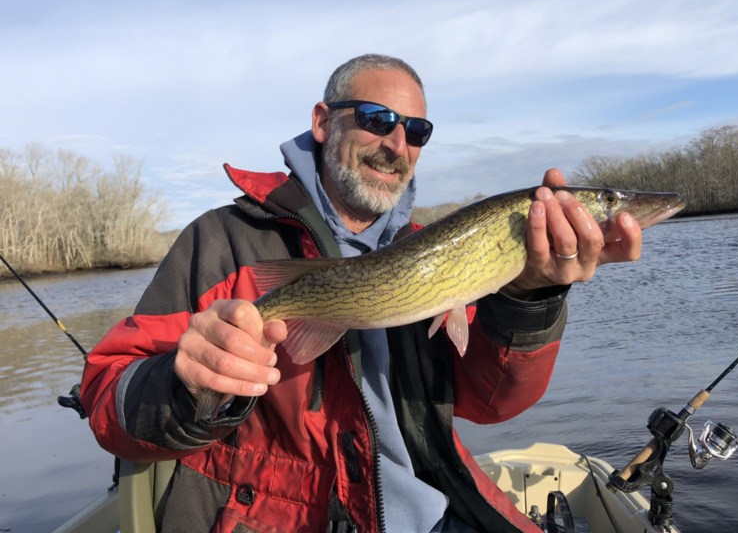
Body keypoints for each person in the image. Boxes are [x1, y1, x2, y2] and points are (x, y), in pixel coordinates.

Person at [81, 54, 642, 533]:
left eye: (417, 131)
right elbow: (107, 395)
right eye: (378, 119)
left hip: (430, 509)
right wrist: (184, 384)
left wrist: (530, 295)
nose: (398, 143)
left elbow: (490, 404)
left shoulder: (440, 251)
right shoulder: (224, 240)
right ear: (323, 122)